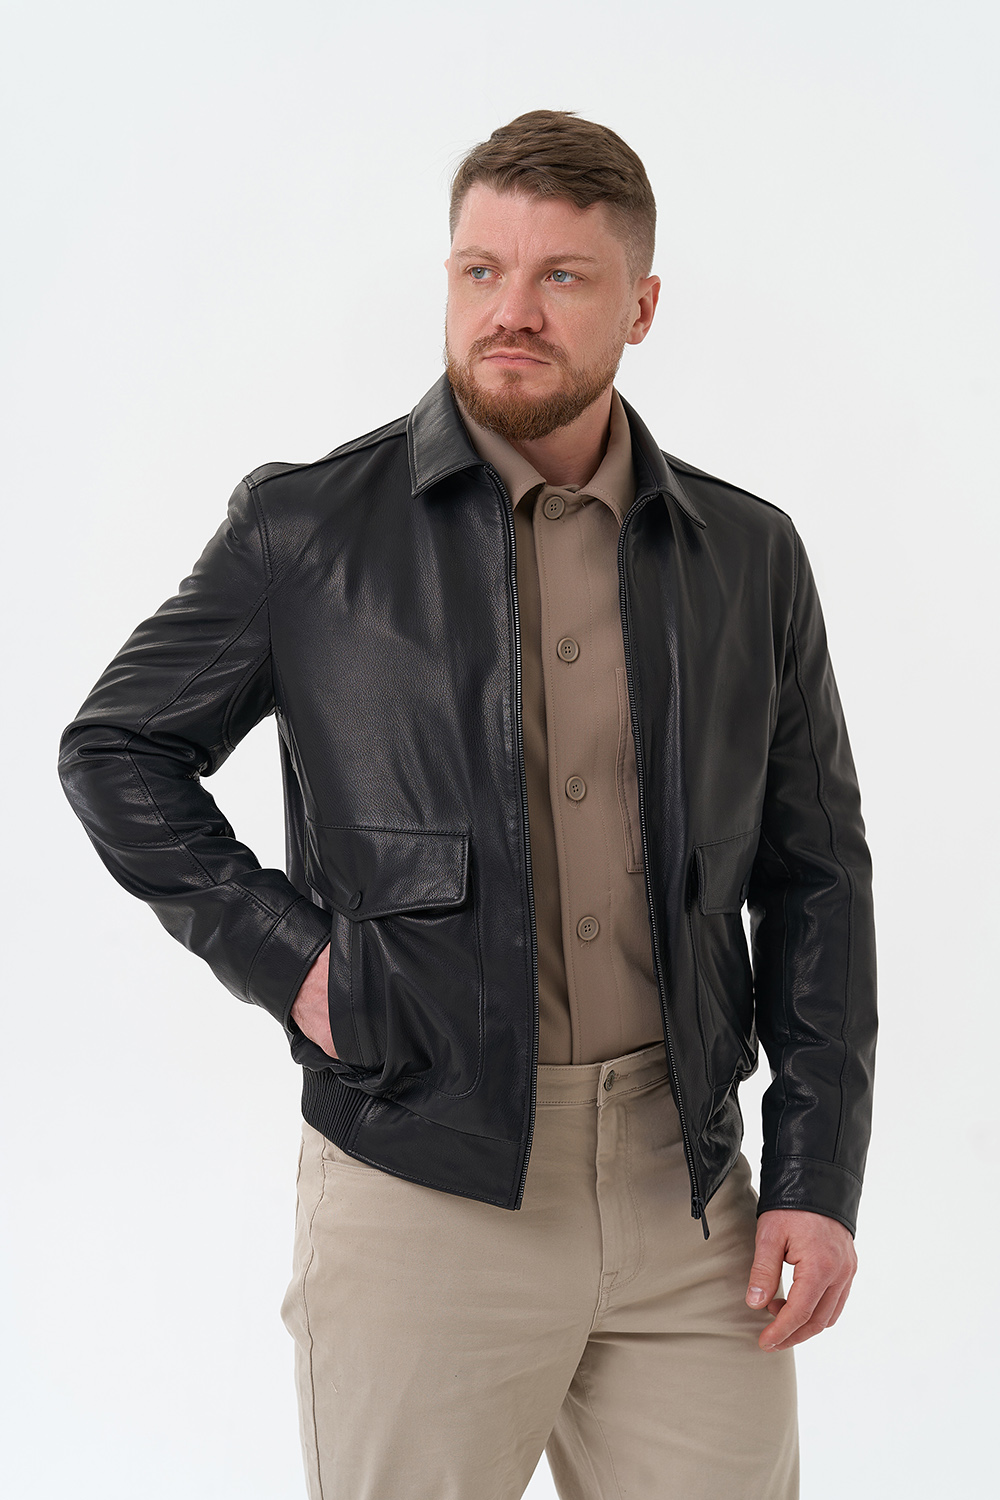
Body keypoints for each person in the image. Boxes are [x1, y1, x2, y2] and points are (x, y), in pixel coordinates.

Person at [58, 109, 877, 1500]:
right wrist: (294, 961)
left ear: (642, 306)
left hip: (687, 1194)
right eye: (480, 270)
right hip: (418, 1183)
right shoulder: (308, 530)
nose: (512, 310)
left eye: (562, 276)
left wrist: (816, 1171)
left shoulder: (746, 554)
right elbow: (119, 747)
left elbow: (819, 878)